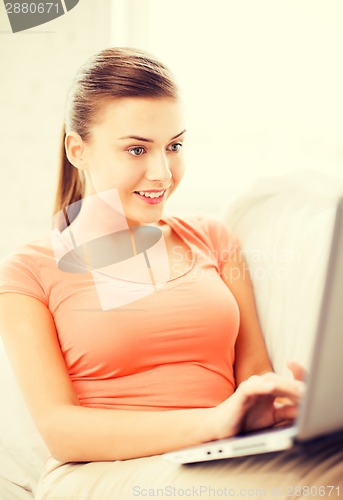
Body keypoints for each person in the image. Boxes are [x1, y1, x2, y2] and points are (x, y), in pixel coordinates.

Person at [0, 47, 341, 500]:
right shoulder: (30, 271)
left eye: (174, 146)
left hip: (222, 452)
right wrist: (212, 422)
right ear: (77, 149)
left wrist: (280, 405)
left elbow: (253, 373)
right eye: (137, 149)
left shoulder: (211, 238)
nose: (162, 173)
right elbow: (63, 431)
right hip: (103, 470)